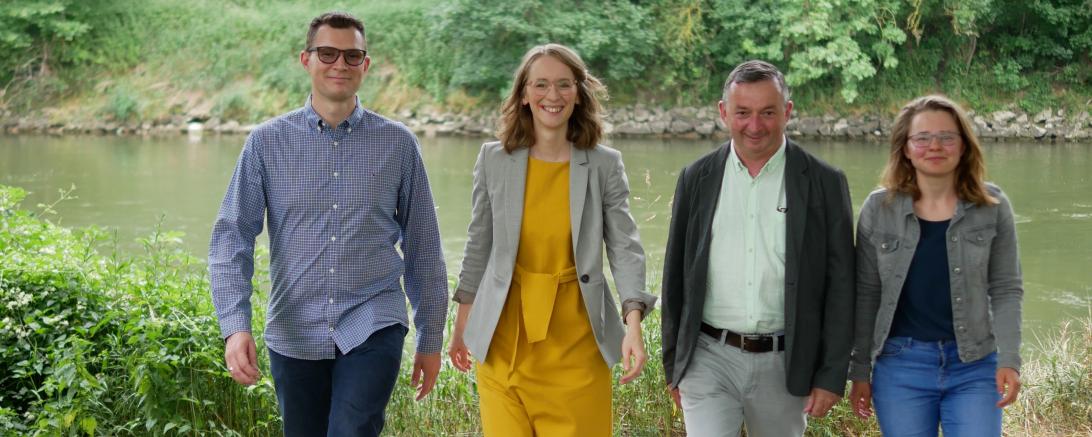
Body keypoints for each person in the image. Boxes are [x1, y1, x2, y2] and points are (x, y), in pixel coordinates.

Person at [208, 11, 448, 437]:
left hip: (374, 319)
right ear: (306, 60)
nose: (340, 64)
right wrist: (235, 326)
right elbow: (232, 238)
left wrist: (431, 340)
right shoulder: (265, 143)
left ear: (365, 65)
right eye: (328, 53)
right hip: (293, 326)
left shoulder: (398, 145)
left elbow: (424, 247)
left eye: (352, 55)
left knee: (352, 429)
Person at [446, 43, 657, 436]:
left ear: (579, 94)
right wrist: (461, 326)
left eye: (564, 84)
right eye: (540, 84)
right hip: (503, 344)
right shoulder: (493, 159)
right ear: (524, 95)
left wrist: (633, 326)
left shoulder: (604, 164)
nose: (552, 96)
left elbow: (625, 248)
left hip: (577, 347)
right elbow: (478, 246)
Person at [660, 60, 855, 436]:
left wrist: (831, 374)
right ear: (723, 113)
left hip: (786, 362)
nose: (755, 126)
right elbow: (675, 278)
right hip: (708, 356)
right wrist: (674, 364)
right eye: (742, 113)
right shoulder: (696, 177)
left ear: (788, 111)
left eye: (768, 112)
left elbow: (842, 285)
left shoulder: (825, 182)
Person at [848, 95, 1023, 436]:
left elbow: (1006, 289)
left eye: (947, 137)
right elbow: (866, 294)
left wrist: (1010, 360)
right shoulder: (877, 209)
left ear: (963, 146)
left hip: (974, 365)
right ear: (906, 148)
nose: (935, 146)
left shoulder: (993, 206)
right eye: (922, 138)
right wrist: (859, 371)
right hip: (900, 367)